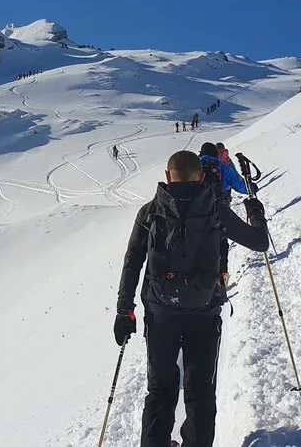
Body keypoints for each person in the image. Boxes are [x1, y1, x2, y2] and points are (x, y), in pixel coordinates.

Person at [114, 151, 268, 447]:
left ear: (168, 175)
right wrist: (256, 214)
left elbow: (132, 261)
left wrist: (125, 311)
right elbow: (259, 242)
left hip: (160, 315)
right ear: (200, 175)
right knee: (199, 391)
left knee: (159, 390)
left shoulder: (150, 212)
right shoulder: (215, 208)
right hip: (204, 312)